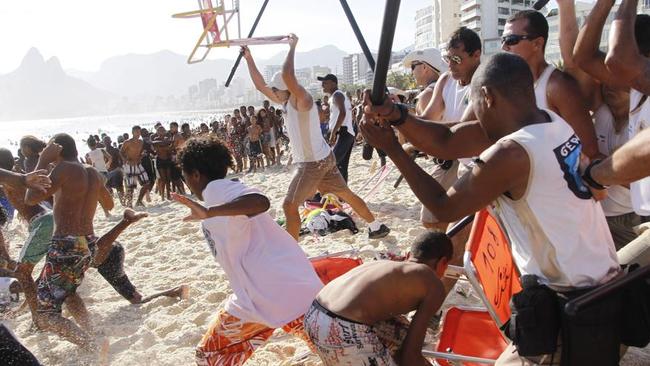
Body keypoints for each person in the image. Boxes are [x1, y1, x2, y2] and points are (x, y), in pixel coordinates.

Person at [361, 53, 621, 365]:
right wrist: (397, 115)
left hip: (571, 307)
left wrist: (393, 150)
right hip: (606, 287)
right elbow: (447, 139)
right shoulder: (549, 122)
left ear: (486, 97)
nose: (475, 117)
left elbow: (444, 207)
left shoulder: (511, 153)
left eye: (476, 106)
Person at [171, 136, 323, 366]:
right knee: (327, 347)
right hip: (288, 290)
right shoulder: (224, 191)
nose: (187, 183)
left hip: (264, 297)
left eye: (185, 176)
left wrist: (211, 212)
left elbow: (260, 201)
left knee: (208, 356)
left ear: (195, 174)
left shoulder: (217, 191)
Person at [241, 36, 390, 240]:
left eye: (276, 89)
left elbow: (287, 73)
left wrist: (292, 47)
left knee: (289, 205)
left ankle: (291, 250)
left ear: (287, 88)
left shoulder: (303, 100)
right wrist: (249, 58)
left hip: (312, 163)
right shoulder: (285, 101)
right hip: (323, 158)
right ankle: (376, 226)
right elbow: (260, 86)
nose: (272, 92)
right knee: (345, 194)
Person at [304, 231, 450, 365]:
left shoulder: (386, 266)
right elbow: (409, 356)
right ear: (442, 263)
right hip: (341, 326)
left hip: (314, 314)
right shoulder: (433, 285)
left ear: (409, 255)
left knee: (402, 331)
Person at [23, 135, 112, 355]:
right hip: (88, 243)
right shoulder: (91, 172)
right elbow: (109, 203)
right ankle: (91, 332)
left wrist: (43, 161)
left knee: (45, 314)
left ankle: (91, 346)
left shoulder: (63, 169)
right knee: (69, 291)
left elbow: (30, 198)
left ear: (58, 149)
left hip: (66, 244)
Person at [560, 0, 637, 249]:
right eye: (605, 78)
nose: (609, 85)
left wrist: (596, 166)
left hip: (634, 220)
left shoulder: (643, 111)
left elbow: (637, 174)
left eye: (617, 78)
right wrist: (566, 7)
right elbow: (575, 61)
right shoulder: (601, 105)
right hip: (597, 214)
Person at [502, 9, 599, 159]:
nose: (504, 47)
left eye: (511, 40)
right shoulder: (512, 87)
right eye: (503, 40)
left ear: (537, 43)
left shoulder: (557, 86)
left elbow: (589, 149)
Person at [319, 74, 356, 182]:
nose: (322, 85)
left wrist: (333, 132)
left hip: (343, 133)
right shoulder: (336, 96)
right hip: (346, 133)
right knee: (341, 167)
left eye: (325, 82)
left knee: (330, 164)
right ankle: (342, 196)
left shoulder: (337, 95)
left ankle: (322, 193)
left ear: (334, 83)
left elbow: (343, 113)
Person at [120, 126, 151, 207]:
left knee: (147, 183)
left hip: (138, 164)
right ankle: (129, 204)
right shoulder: (127, 142)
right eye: (136, 132)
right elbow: (121, 152)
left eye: (139, 132)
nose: (138, 133)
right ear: (132, 132)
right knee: (131, 186)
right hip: (129, 165)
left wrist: (141, 156)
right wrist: (126, 160)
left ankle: (139, 201)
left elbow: (139, 153)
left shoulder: (141, 142)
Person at [151, 125, 174, 201]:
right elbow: (157, 149)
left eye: (163, 130)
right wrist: (165, 147)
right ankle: (163, 196)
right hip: (160, 160)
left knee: (168, 179)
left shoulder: (167, 139)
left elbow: (170, 149)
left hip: (167, 159)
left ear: (165, 131)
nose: (161, 132)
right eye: (159, 130)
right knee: (163, 179)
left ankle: (168, 195)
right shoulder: (155, 139)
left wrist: (163, 147)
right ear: (157, 132)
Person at [102, 135, 125, 205]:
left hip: (116, 171)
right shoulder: (103, 151)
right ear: (103, 142)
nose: (107, 142)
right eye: (105, 141)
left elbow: (121, 159)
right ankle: (111, 203)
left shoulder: (115, 150)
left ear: (111, 141)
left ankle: (123, 202)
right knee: (108, 188)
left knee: (119, 188)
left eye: (108, 141)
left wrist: (120, 167)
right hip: (107, 172)